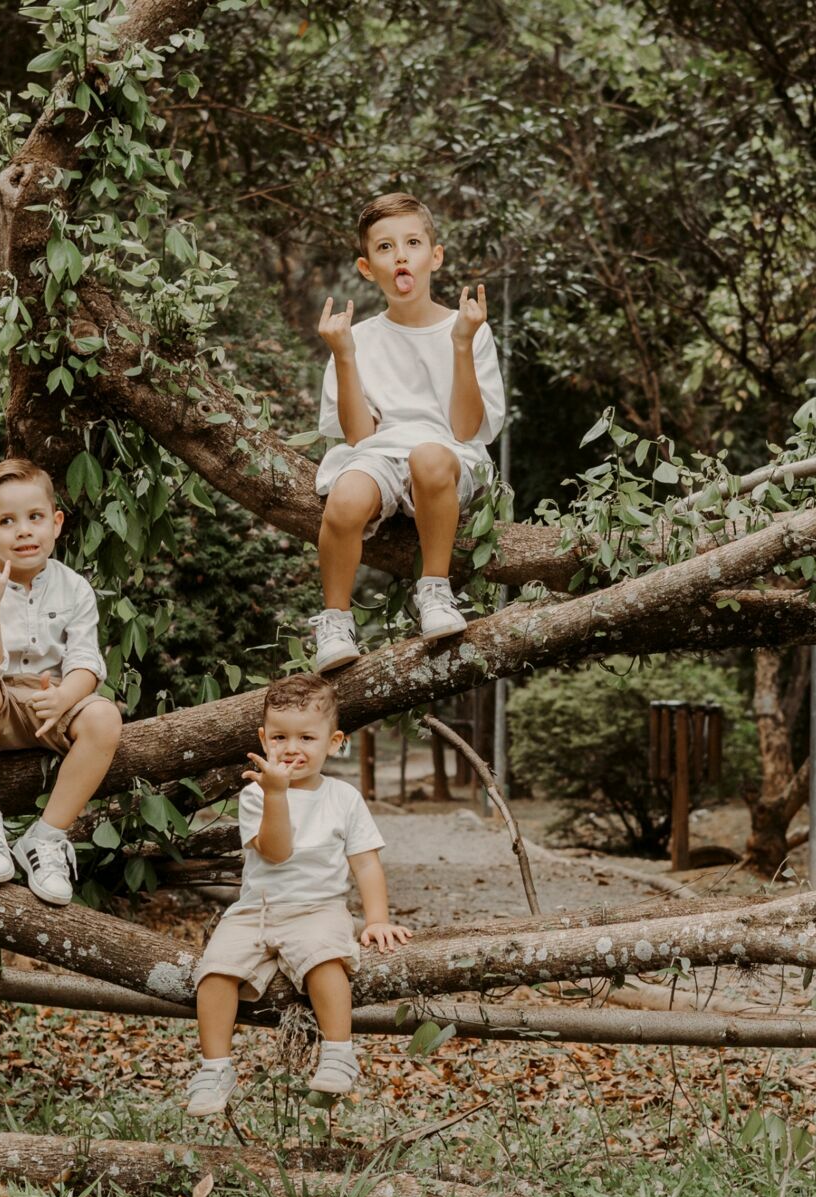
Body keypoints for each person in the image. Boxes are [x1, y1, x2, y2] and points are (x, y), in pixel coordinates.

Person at [185, 673, 411, 1113]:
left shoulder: (343, 798)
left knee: (326, 962)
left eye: (307, 736)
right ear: (263, 739)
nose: (293, 747)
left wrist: (378, 918)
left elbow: (365, 863)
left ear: (334, 741)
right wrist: (275, 794)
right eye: (280, 736)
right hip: (257, 910)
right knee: (214, 972)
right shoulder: (256, 795)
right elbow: (276, 850)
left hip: (318, 909)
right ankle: (215, 1069)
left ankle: (338, 1053)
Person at [309, 191, 506, 671]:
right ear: (365, 266)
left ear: (434, 257)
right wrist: (343, 353)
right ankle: (335, 621)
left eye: (413, 242)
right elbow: (359, 436)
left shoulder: (468, 328)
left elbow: (465, 429)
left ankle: (435, 592)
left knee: (428, 456)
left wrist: (461, 344)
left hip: (449, 460)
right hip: (381, 455)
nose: (400, 255)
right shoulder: (359, 338)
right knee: (347, 495)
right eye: (385, 247)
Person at [0, 458, 123, 907]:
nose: (23, 531)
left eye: (35, 518)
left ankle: (45, 838)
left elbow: (86, 660)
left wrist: (66, 695)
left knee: (104, 715)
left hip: (52, 704)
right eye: (7, 521)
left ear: (56, 524)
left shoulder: (75, 588)